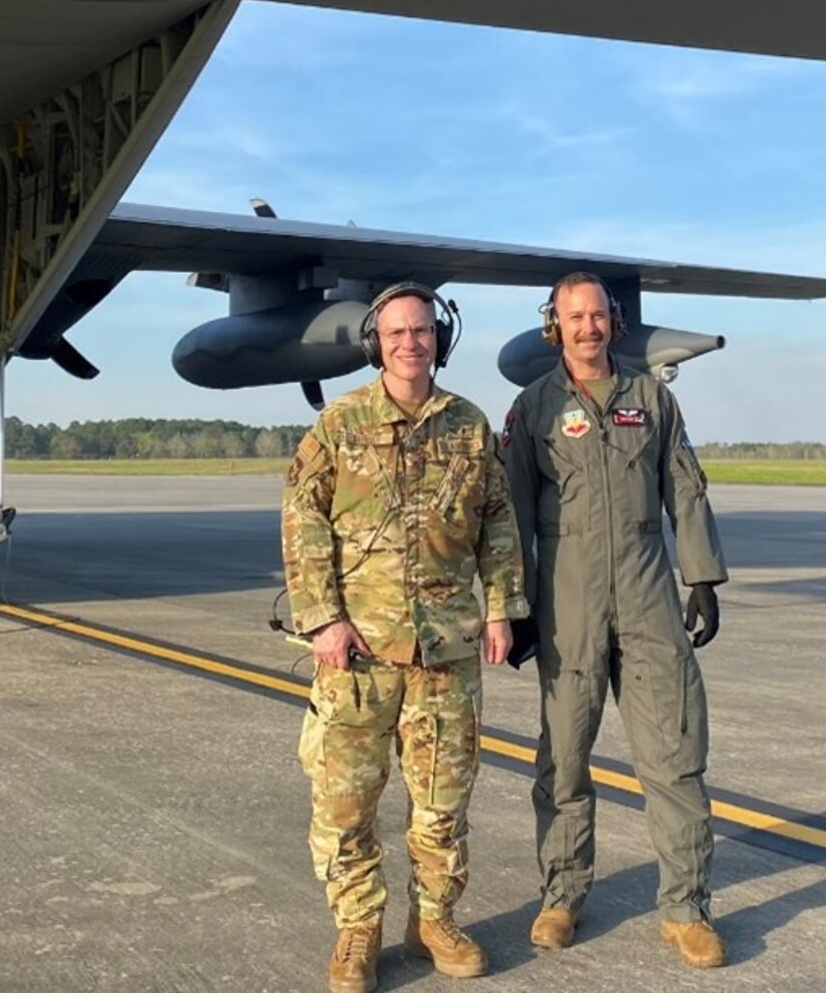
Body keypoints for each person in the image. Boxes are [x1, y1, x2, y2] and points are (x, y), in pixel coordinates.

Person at [281, 282, 527, 993]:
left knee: (443, 804)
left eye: (422, 331)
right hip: (357, 654)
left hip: (446, 652)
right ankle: (358, 929)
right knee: (345, 805)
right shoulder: (340, 422)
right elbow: (304, 520)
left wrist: (502, 609)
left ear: (438, 339)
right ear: (375, 343)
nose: (410, 343)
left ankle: (435, 920)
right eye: (396, 333)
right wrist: (323, 617)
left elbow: (498, 523)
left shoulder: (468, 425)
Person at [501, 273, 729, 970]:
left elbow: (683, 491)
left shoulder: (651, 400)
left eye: (598, 315)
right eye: (576, 316)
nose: (589, 327)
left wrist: (701, 576)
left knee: (674, 757)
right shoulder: (533, 408)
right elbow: (510, 513)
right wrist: (517, 605)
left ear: (614, 323)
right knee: (564, 759)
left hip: (646, 594)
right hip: (567, 603)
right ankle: (563, 896)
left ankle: (686, 909)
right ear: (556, 324)